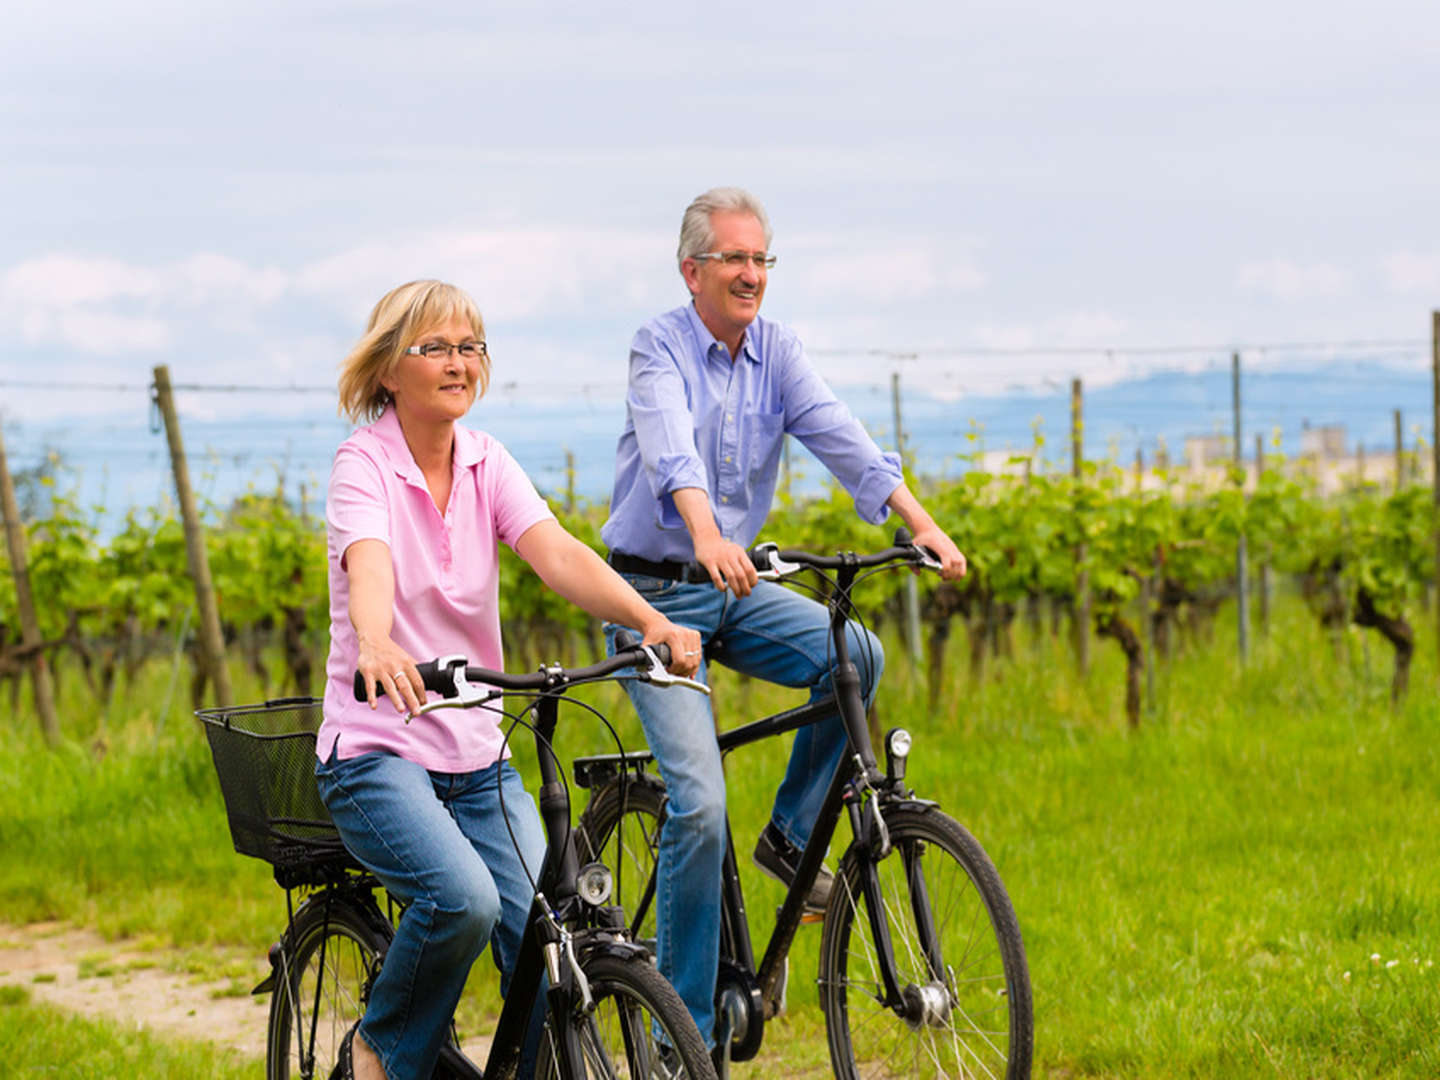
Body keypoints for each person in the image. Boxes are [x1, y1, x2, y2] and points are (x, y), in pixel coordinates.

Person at [600, 187, 968, 1049]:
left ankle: (791, 839)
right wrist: (706, 534)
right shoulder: (659, 346)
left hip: (732, 590)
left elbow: (838, 433)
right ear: (692, 270)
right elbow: (670, 451)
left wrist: (920, 522)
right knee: (695, 801)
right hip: (651, 597)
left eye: (761, 258)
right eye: (733, 258)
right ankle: (682, 1035)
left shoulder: (779, 352)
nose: (750, 273)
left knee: (858, 659)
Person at [316, 279, 702, 1080]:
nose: (459, 362)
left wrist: (650, 621)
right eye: (437, 347)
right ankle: (379, 1050)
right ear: (390, 368)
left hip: (478, 754)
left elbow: (556, 551)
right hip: (378, 753)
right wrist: (378, 643)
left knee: (546, 923)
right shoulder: (365, 465)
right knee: (464, 901)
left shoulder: (487, 460)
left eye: (471, 347)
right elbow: (370, 563)